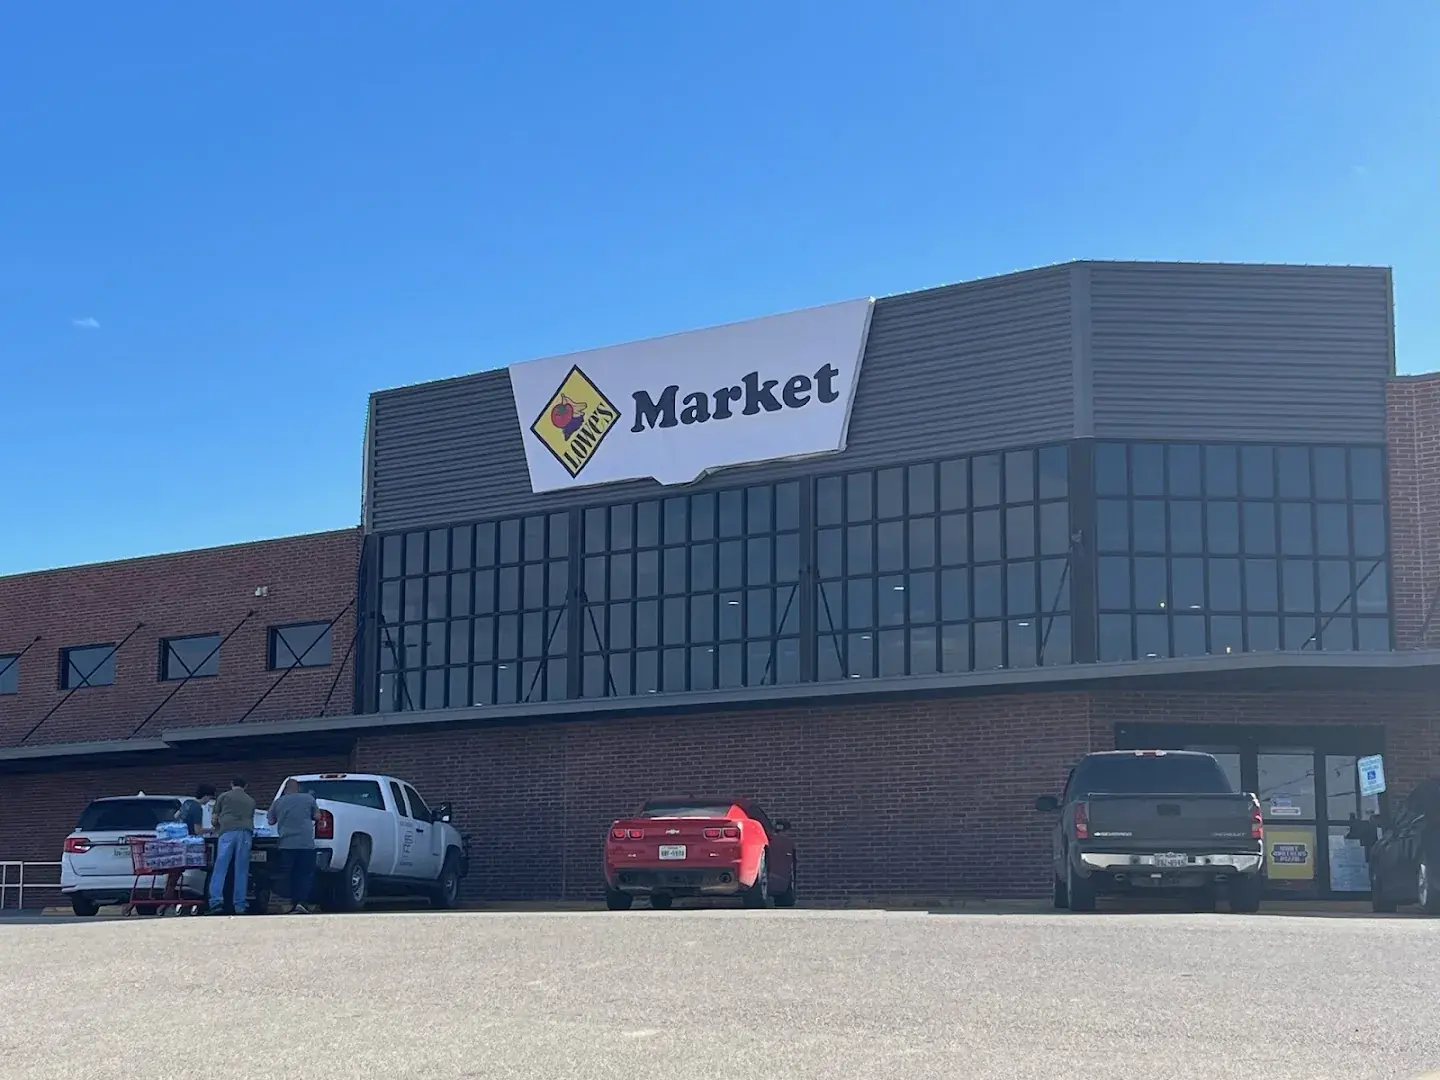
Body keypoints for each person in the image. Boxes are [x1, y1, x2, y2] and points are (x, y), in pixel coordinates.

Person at [267, 778, 321, 914]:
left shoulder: (278, 802)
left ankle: (288, 903)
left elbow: (271, 821)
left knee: (286, 874)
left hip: (286, 844)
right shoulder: (308, 799)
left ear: (285, 790)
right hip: (306, 844)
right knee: (304, 874)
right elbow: (317, 816)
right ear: (298, 788)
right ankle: (301, 902)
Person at [208, 778, 257, 915]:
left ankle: (216, 901)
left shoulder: (223, 797)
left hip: (227, 831)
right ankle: (240, 905)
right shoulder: (250, 800)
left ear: (231, 784)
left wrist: (217, 827)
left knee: (221, 867)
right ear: (245, 785)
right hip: (246, 833)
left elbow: (214, 819)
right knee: (241, 869)